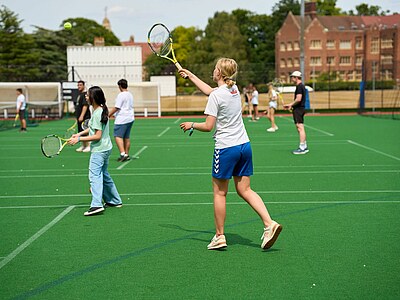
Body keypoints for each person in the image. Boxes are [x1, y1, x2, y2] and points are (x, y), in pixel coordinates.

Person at [179, 58, 282, 250]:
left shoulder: (216, 96)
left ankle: (219, 236)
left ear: (219, 73)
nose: (213, 70)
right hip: (244, 146)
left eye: (215, 68)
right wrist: (190, 75)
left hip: (226, 148)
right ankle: (269, 224)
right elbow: (211, 91)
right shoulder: (234, 90)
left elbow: (209, 126)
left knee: (220, 193)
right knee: (245, 190)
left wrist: (191, 124)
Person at [68, 86, 122, 216]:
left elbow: (97, 135)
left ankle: (96, 205)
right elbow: (92, 128)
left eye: (87, 95)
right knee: (104, 174)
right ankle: (114, 200)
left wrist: (79, 139)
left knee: (94, 177)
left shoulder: (98, 113)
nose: (85, 97)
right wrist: (79, 134)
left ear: (93, 98)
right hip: (106, 148)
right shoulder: (101, 110)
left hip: (99, 150)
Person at [109, 79, 135, 162]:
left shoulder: (121, 95)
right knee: (126, 137)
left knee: (118, 136)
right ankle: (126, 154)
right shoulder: (130, 94)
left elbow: (117, 107)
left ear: (120, 86)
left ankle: (122, 153)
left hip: (122, 118)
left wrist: (108, 115)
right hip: (130, 117)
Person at [284, 71, 309, 154]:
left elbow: (298, 99)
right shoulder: (301, 86)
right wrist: (291, 105)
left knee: (300, 127)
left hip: (299, 109)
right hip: (299, 109)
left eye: (292, 77)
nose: (291, 78)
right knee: (299, 127)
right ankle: (304, 146)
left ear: (296, 77)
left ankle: (302, 147)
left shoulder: (299, 86)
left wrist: (290, 104)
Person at [75, 80, 91, 152]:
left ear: (84, 86)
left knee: (85, 131)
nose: (79, 86)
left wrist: (82, 116)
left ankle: (88, 146)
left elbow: (85, 106)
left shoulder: (85, 94)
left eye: (80, 85)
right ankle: (83, 146)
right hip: (79, 117)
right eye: (78, 85)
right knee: (80, 131)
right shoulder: (79, 95)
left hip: (85, 117)